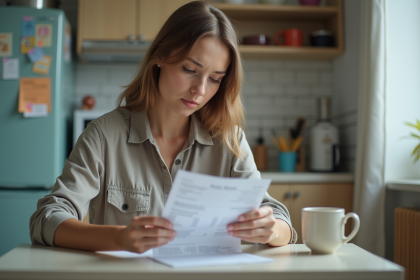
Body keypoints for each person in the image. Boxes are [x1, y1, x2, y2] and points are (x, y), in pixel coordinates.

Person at [30, 0, 297, 253]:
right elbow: (46, 219)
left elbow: (278, 218)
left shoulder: (229, 141)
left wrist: (271, 230)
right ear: (160, 57)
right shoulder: (103, 136)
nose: (200, 90)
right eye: (189, 69)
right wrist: (118, 238)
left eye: (215, 79)